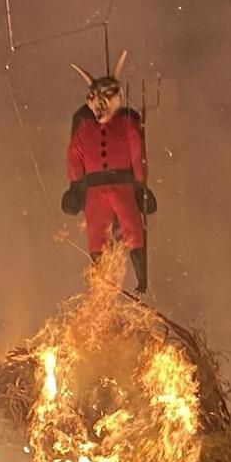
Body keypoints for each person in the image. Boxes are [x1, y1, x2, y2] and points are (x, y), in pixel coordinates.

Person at [60, 52, 155, 295]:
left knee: (133, 229)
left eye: (107, 97)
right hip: (95, 191)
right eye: (95, 98)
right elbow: (75, 155)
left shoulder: (126, 124)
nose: (100, 104)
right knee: (96, 235)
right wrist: (75, 185)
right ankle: (99, 283)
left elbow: (136, 153)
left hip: (122, 186)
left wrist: (140, 183)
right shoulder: (84, 128)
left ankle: (141, 280)